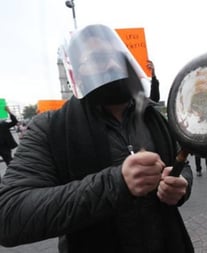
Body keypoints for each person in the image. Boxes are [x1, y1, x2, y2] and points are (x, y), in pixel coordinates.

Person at [0, 24, 194, 253]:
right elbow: (9, 215)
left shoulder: (154, 116)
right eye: (98, 59)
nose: (112, 64)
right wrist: (116, 183)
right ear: (79, 75)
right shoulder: (50, 128)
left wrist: (181, 185)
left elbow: (183, 166)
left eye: (117, 57)